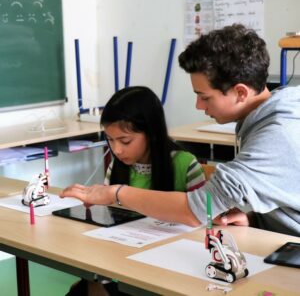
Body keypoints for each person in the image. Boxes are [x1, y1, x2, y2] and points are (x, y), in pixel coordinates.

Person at [61, 23, 300, 238]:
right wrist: (254, 219)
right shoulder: (270, 115)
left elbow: (198, 209)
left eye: (204, 97)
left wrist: (116, 193)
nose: (198, 106)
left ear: (240, 92)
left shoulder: (277, 134)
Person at [66, 86, 206, 296]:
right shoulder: (117, 166)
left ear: (151, 133)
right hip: (122, 264)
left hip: (170, 269)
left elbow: (205, 221)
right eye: (110, 140)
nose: (117, 150)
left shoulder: (184, 165)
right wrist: (94, 207)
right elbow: (109, 221)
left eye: (125, 141)